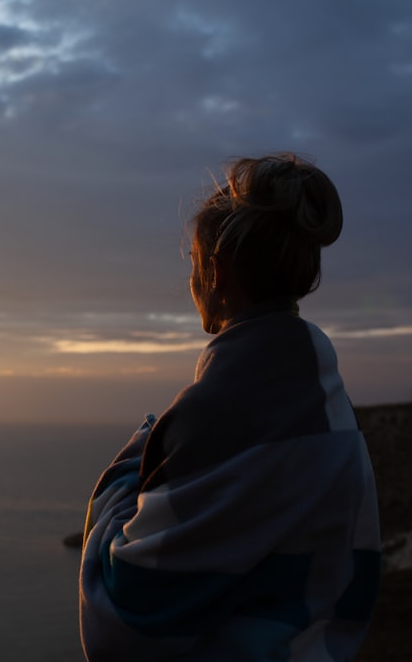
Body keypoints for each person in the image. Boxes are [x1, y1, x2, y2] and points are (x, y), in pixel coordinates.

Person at [79, 154, 381, 661]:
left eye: (193, 264)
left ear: (215, 273)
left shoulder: (215, 414)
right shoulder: (331, 404)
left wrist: (134, 461)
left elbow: (123, 625)